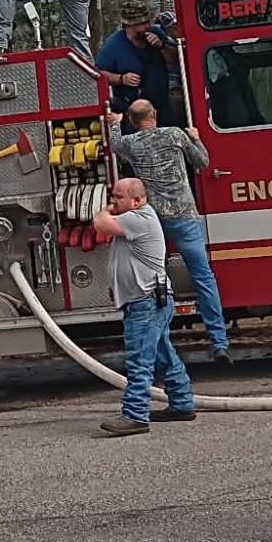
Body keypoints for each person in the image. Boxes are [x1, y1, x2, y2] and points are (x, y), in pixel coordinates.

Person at [107, 98, 231, 362]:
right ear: (155, 114)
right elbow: (203, 163)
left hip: (152, 222)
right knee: (203, 277)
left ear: (132, 120)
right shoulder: (175, 134)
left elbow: (114, 145)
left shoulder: (131, 143)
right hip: (186, 216)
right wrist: (196, 138)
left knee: (155, 284)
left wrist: (115, 125)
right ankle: (219, 341)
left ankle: (160, 342)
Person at [92, 176, 197, 436]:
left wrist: (105, 209)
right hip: (147, 300)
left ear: (138, 200)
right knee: (163, 354)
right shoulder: (133, 219)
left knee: (140, 359)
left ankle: (135, 414)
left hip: (146, 302)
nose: (114, 201)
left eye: (119, 197)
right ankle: (182, 403)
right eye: (112, 196)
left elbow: (99, 224)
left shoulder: (139, 217)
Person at [95, 1, 185, 127]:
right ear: (128, 25)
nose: (147, 26)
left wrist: (161, 46)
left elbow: (177, 60)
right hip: (132, 112)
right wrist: (121, 79)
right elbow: (99, 75)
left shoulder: (157, 33)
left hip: (162, 106)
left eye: (148, 21)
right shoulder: (112, 46)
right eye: (142, 24)